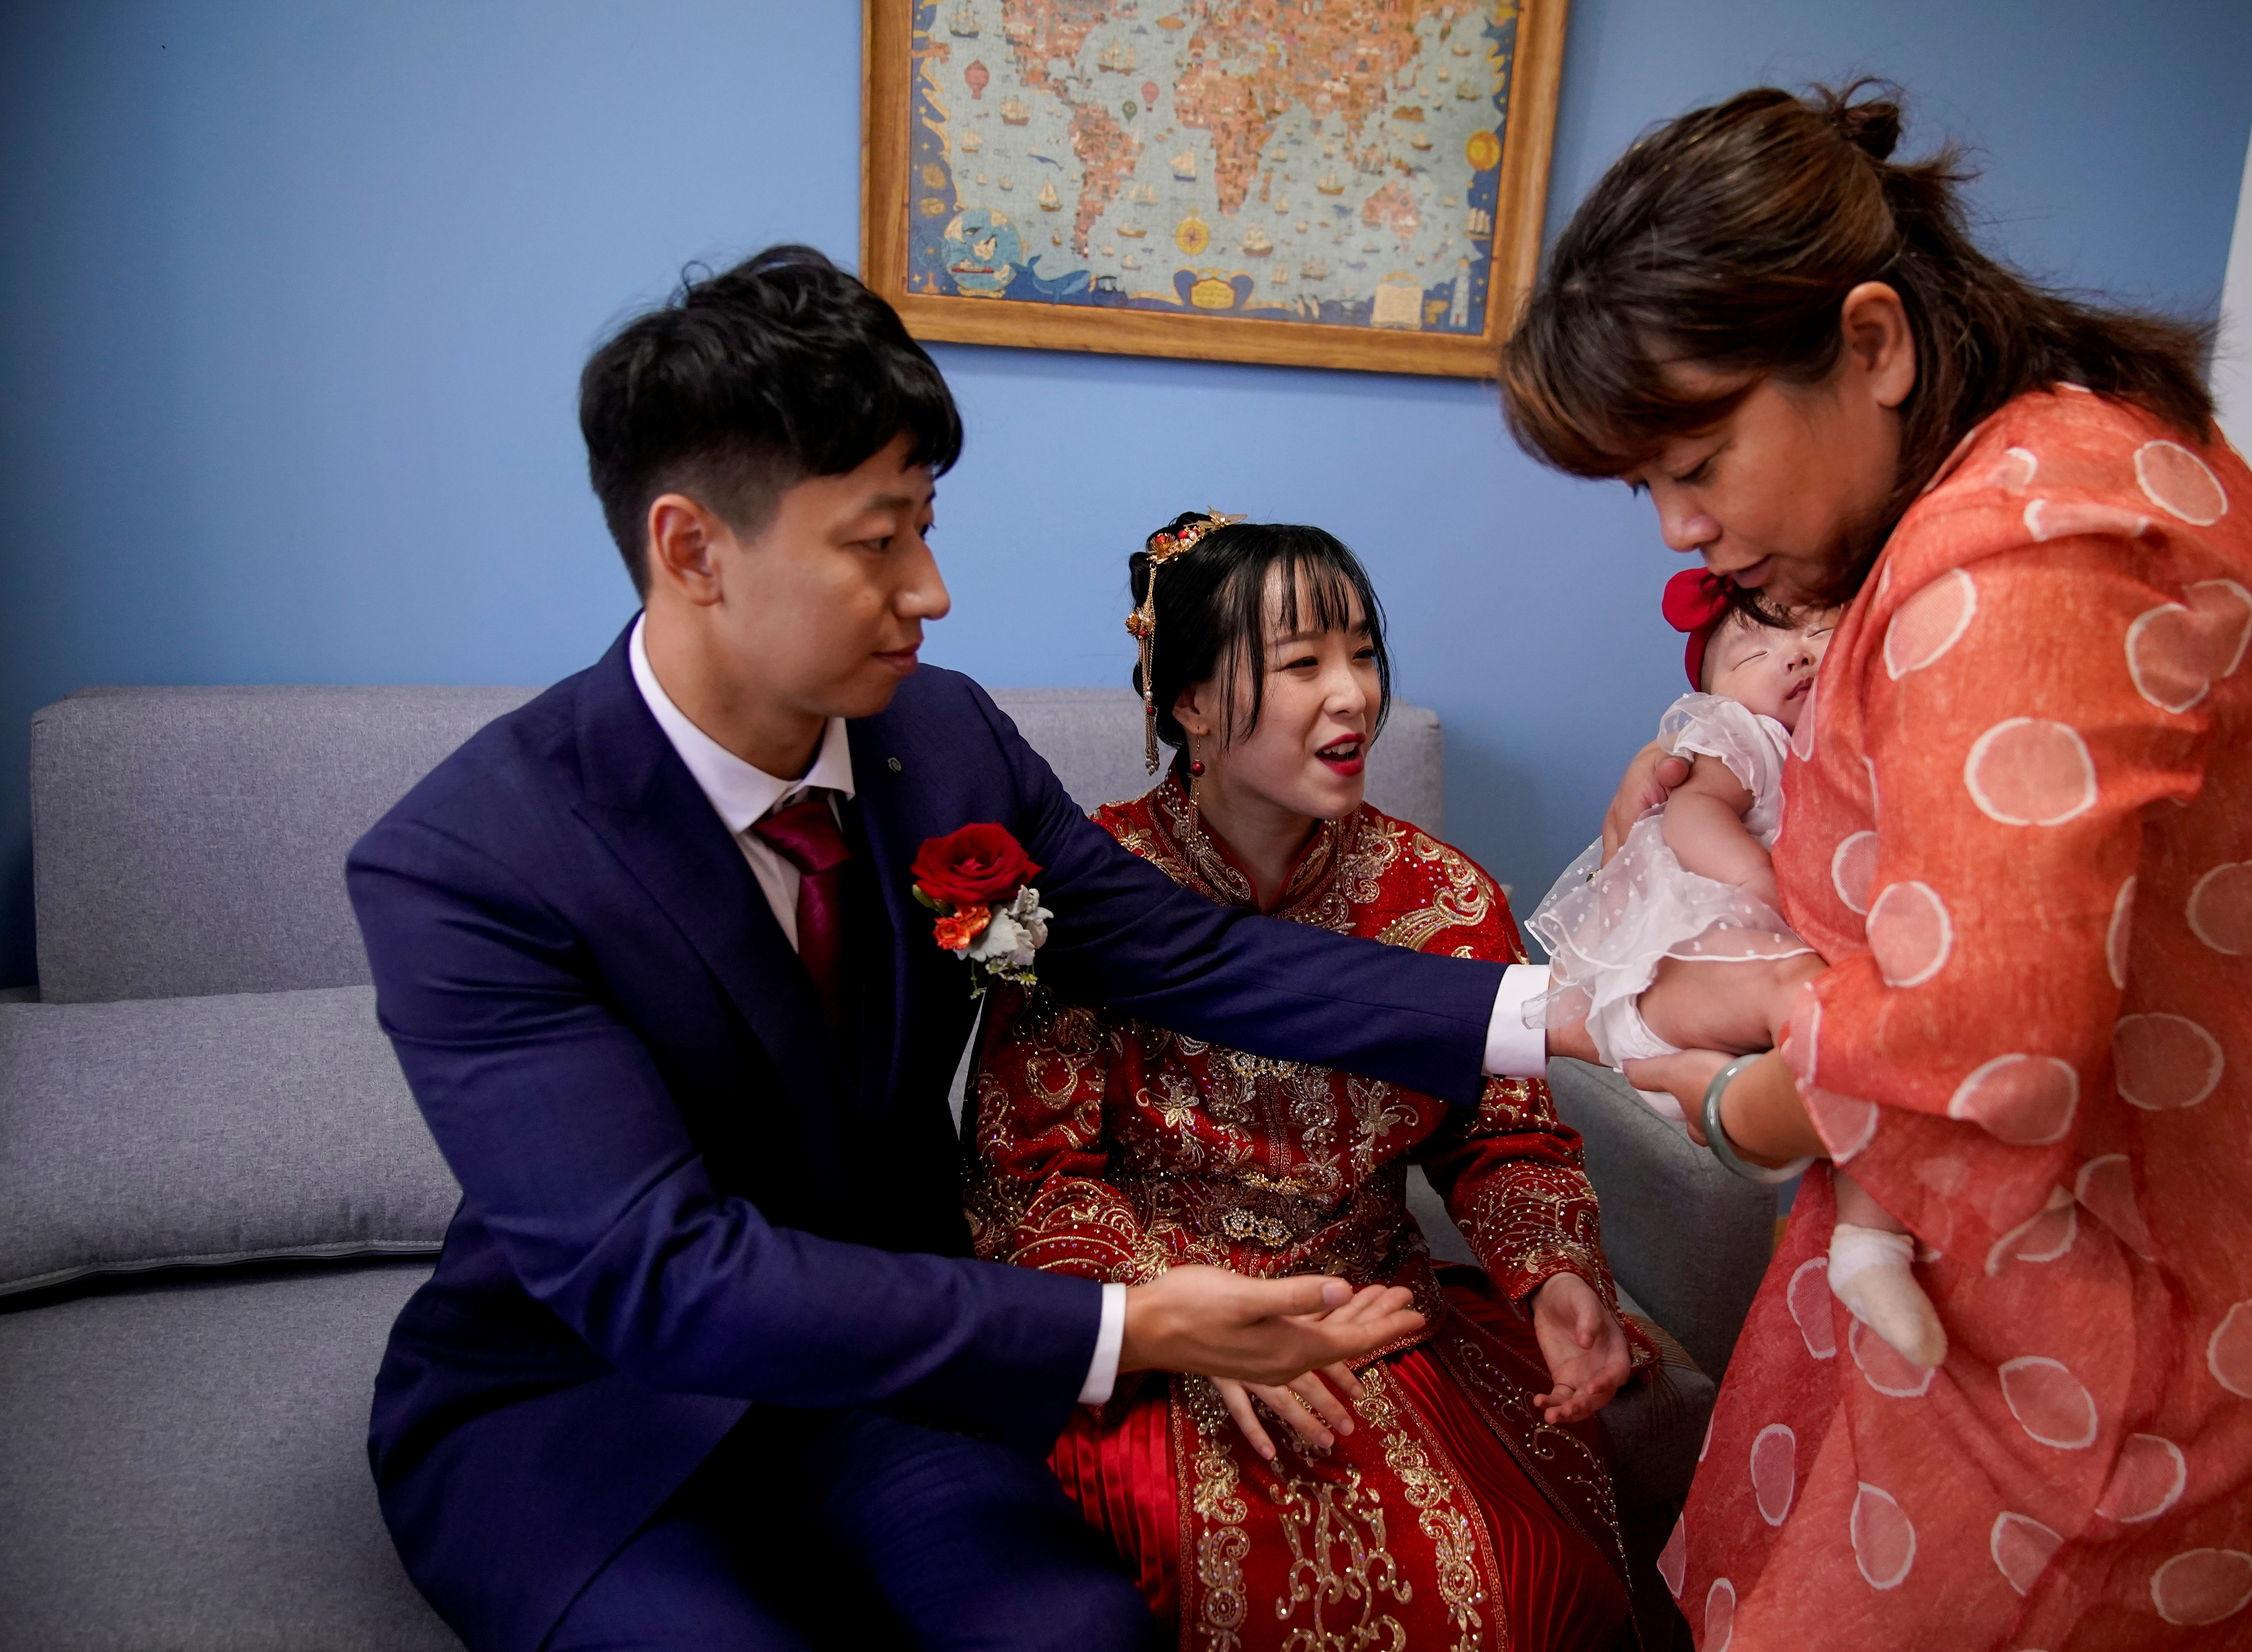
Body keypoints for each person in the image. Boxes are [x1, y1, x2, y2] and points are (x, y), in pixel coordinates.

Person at [346, 249, 1567, 1652]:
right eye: (878, 543)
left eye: (927, 524)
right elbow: (662, 1278)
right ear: (693, 550)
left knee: (1075, 1636)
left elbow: (1190, 956)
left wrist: (1568, 1016)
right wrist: (1132, 1327)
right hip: (589, 1407)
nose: (931, 590)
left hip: (877, 1387)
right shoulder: (470, 861)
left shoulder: (945, 737)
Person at [1497, 84, 2252, 1650]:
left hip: (2158, 1328)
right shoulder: (2053, 470)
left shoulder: (2025, 549)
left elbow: (1986, 1038)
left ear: (1872, 345)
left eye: (1702, 457)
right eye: (1645, 485)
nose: (1678, 528)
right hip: (2062, 1261)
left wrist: (1736, 1103)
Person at [966, 514, 1660, 1650]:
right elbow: (1031, 1170)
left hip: (1376, 1319)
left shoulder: (1440, 896)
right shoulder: (1093, 896)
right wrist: (1172, 1316)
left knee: (1519, 1585)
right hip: (1162, 1326)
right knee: (1178, 1563)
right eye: (1302, 664)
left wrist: (1552, 1278)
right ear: (1188, 702)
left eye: (1365, 655)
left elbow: (1503, 1137)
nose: (1353, 697)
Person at [1528, 578, 1946, 1368]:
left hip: (1734, 971)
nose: (1794, 654)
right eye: (1757, 649)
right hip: (1687, 944)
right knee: (1824, 1013)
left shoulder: (1855, 734)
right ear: (1711, 687)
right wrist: (1759, 882)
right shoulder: (1740, 732)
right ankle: (1682, 1081)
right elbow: (1692, 812)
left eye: (1816, 637)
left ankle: (1870, 1237)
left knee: (1855, 1037)